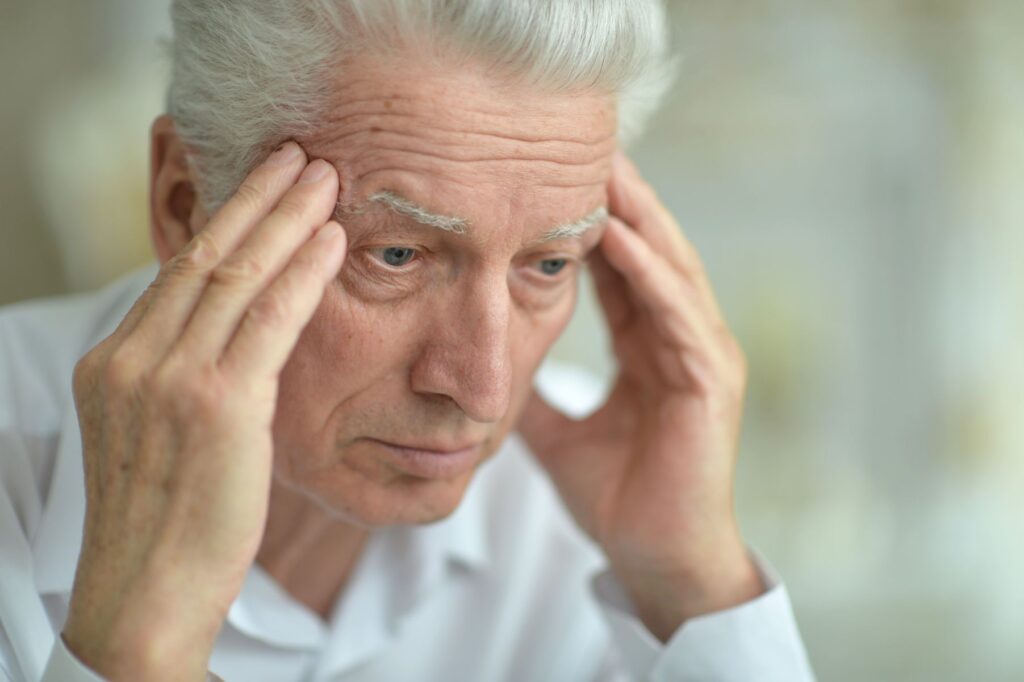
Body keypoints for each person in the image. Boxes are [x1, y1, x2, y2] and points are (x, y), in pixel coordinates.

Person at [0, 1, 816, 680]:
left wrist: (693, 588)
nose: (483, 388)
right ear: (186, 206)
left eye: (548, 262)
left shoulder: (594, 505)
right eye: (397, 255)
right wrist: (138, 646)